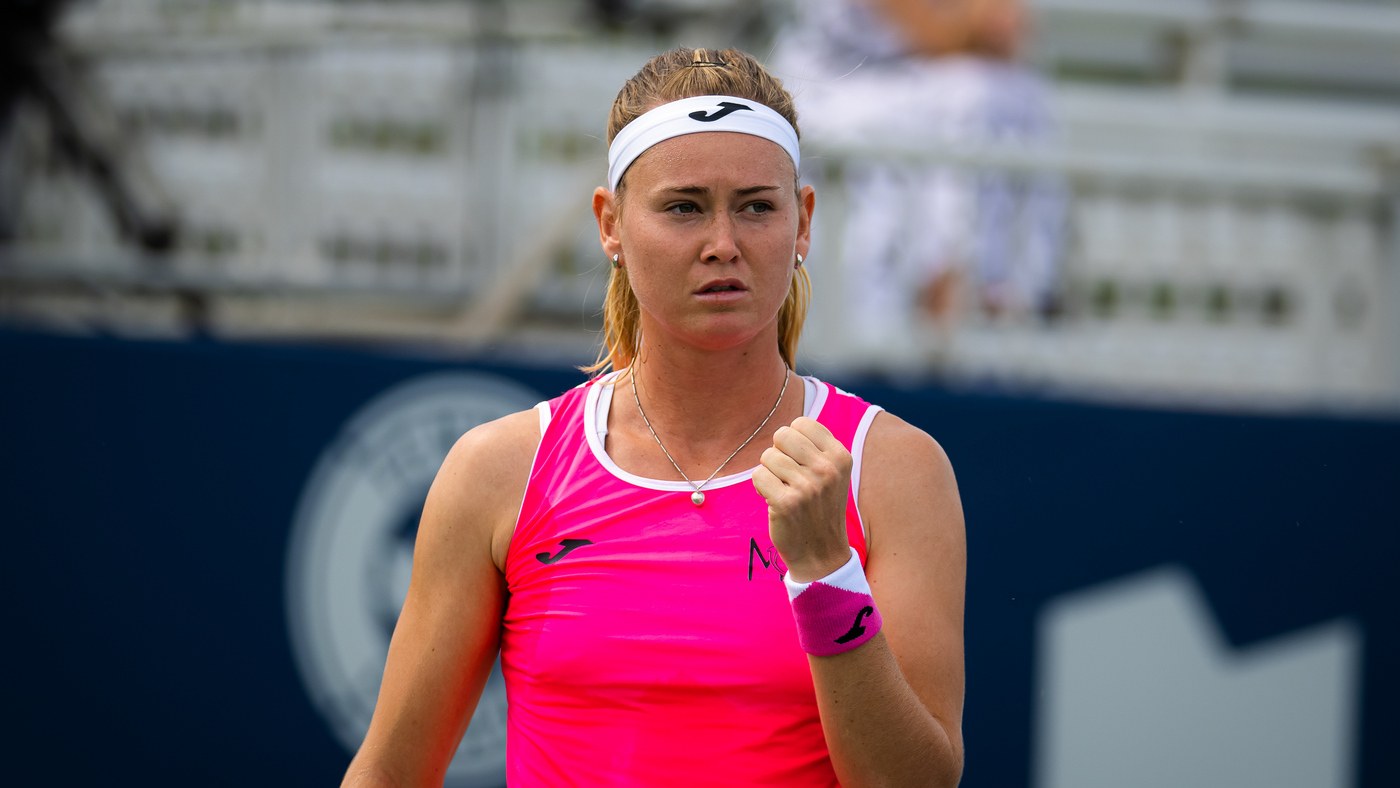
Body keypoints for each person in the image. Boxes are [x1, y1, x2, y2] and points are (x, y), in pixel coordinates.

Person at [341, 47, 966, 788]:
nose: (723, 245)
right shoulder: (498, 471)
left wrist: (827, 573)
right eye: (684, 207)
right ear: (610, 224)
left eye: (756, 207)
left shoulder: (893, 471)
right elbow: (388, 773)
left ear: (802, 222)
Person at [771, 0, 1063, 350]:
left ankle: (1001, 289)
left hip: (905, 82)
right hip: (834, 85)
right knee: (974, 96)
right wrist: (979, 22)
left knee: (1017, 94)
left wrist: (985, 22)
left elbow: (1009, 27)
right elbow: (935, 31)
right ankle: (930, 288)